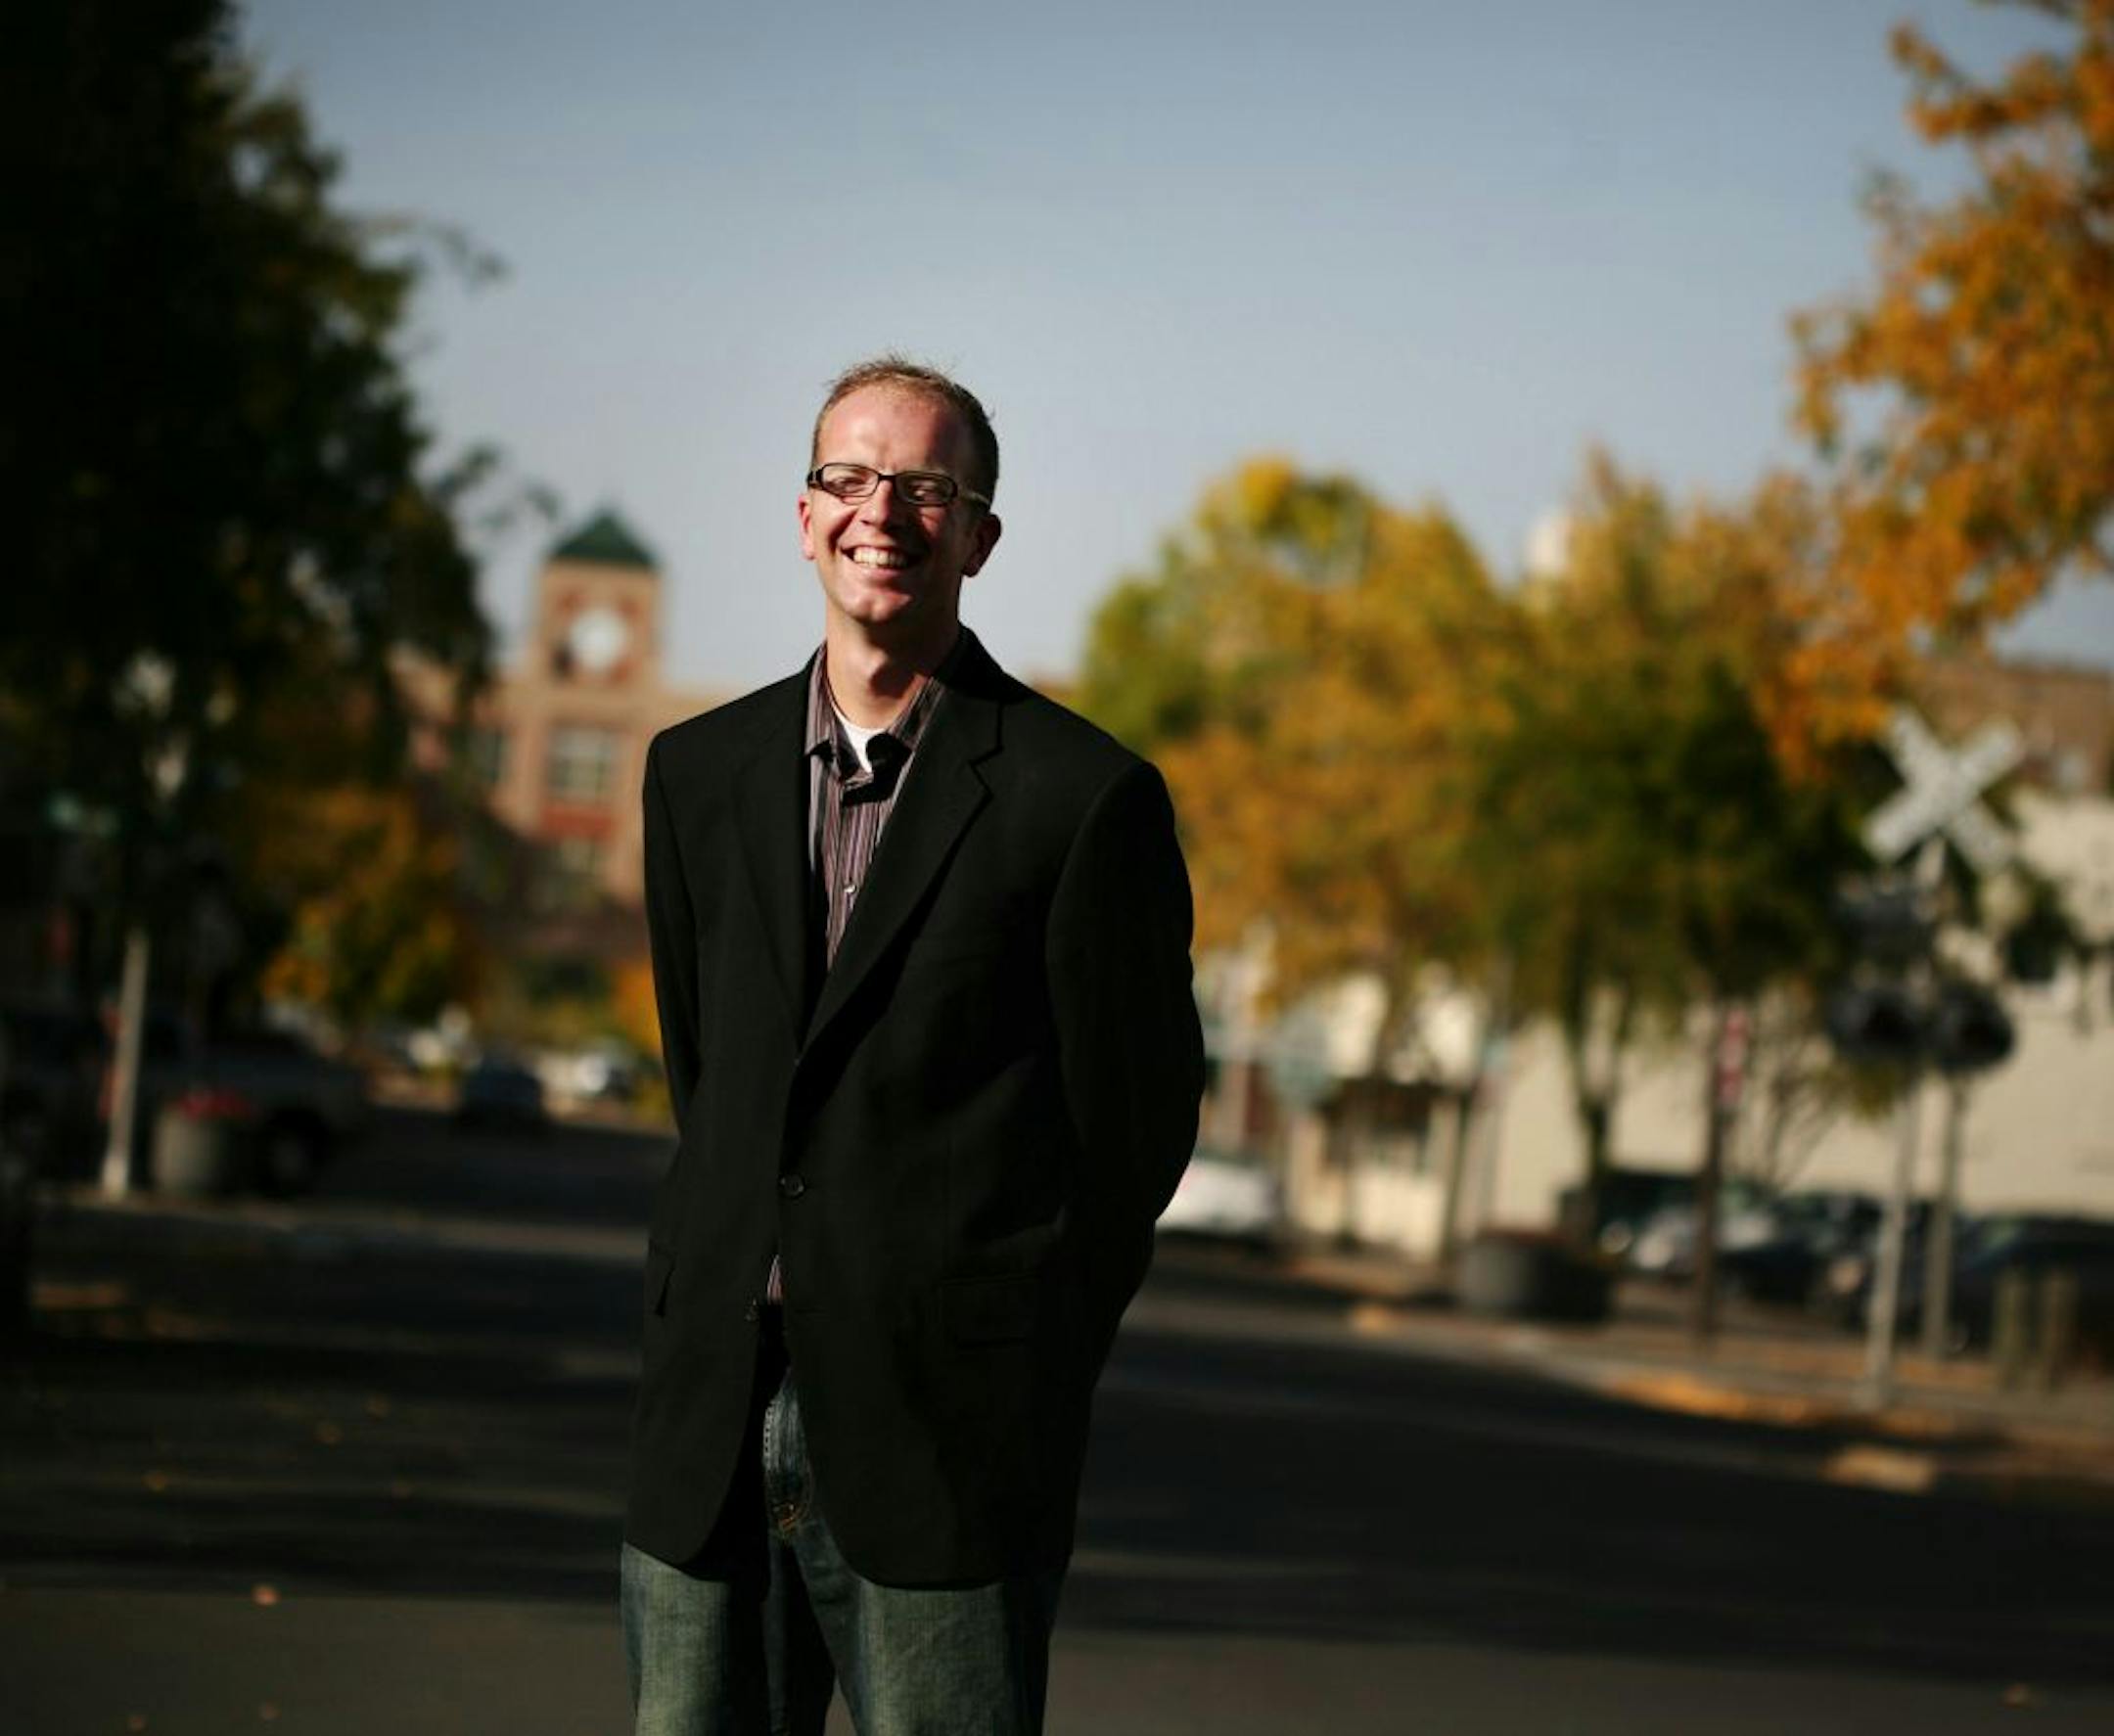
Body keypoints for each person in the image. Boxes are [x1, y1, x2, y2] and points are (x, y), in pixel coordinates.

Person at [622, 355, 1205, 1735]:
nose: (881, 511)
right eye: (849, 477)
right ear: (805, 514)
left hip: (952, 1437)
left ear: (979, 536)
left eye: (927, 487)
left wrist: (1021, 1367)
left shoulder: (1084, 798)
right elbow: (713, 1081)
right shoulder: (695, 774)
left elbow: (1133, 1137)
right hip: (711, 1420)